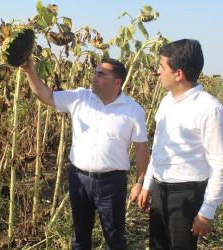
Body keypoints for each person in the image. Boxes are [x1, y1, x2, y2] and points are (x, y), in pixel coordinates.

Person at [22, 56, 149, 249]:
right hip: (79, 179)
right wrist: (30, 71)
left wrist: (140, 182)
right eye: (94, 73)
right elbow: (46, 96)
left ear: (117, 82)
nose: (94, 78)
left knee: (115, 238)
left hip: (112, 183)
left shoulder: (133, 110)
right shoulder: (79, 98)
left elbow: (141, 149)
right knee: (80, 236)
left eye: (101, 74)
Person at [138, 39, 223, 249]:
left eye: (162, 67)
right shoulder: (166, 101)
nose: (158, 72)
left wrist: (207, 211)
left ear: (178, 74)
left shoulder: (210, 109)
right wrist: (148, 184)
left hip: (186, 197)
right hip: (161, 191)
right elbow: (159, 147)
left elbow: (220, 165)